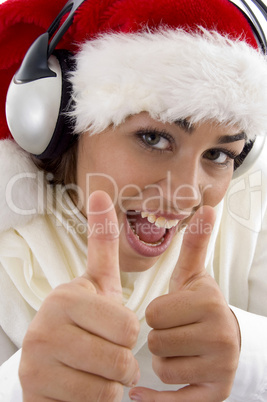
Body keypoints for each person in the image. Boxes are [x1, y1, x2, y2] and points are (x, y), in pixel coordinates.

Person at [0, 0, 267, 401]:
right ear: (62, 122)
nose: (187, 193)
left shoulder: (253, 219)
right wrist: (22, 386)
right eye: (154, 138)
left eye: (218, 155)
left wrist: (247, 354)